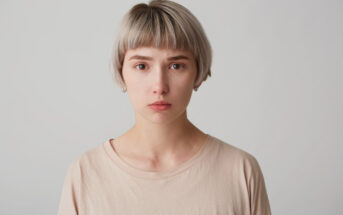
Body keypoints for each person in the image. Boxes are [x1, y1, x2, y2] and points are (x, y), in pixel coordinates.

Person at [57, 0, 272, 214]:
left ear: (197, 73)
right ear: (121, 72)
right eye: (141, 66)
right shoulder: (86, 173)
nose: (159, 86)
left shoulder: (240, 171)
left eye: (176, 66)